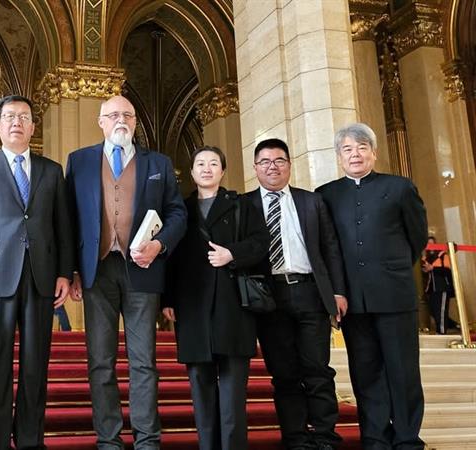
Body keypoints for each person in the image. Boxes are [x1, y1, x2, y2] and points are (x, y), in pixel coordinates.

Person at [66, 95, 187, 449]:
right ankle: (109, 440)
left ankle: (147, 440)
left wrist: (159, 245)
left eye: (128, 115)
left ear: (135, 122)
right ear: (101, 121)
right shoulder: (79, 161)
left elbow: (177, 214)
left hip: (143, 269)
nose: (121, 120)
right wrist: (71, 270)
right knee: (100, 361)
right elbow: (68, 218)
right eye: (114, 115)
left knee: (143, 361)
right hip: (97, 270)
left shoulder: (159, 163)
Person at [0, 95, 74, 450]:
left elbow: (63, 227)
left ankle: (29, 439)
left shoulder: (51, 170)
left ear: (33, 127)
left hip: (42, 276)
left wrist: (64, 273)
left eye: (24, 117)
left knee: (35, 364)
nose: (16, 123)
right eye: (9, 116)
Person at [317, 123, 428, 450]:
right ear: (339, 157)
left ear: (374, 153)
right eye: (347, 149)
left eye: (362, 147)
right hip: (353, 301)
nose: (355, 154)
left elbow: (417, 237)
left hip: (394, 295)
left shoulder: (400, 188)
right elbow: (328, 246)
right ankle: (376, 438)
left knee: (403, 372)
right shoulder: (326, 194)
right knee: (366, 374)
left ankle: (407, 439)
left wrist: (392, 268)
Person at [161, 146, 268, 450]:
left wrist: (232, 254)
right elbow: (171, 260)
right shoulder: (180, 210)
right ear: (192, 172)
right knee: (201, 390)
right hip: (192, 307)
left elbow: (261, 242)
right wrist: (168, 299)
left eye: (213, 164)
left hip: (232, 305)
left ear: (222, 170)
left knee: (233, 395)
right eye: (200, 164)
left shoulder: (241, 205)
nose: (206, 169)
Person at [244, 138, 347, 450]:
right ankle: (296, 439)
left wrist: (338, 292)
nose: (272, 167)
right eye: (265, 162)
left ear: (289, 165)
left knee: (318, 370)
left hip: (309, 292)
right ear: (255, 168)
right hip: (269, 297)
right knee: (284, 374)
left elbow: (330, 248)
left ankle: (325, 437)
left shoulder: (311, 201)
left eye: (279, 161)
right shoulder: (244, 205)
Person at [421, 236, 458, 334]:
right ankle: (454, 325)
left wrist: (432, 268)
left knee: (441, 312)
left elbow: (448, 271)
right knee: (433, 311)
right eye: (428, 244)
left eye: (432, 244)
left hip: (442, 288)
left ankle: (441, 332)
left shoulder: (443, 255)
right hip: (431, 290)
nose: (430, 246)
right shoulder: (425, 258)